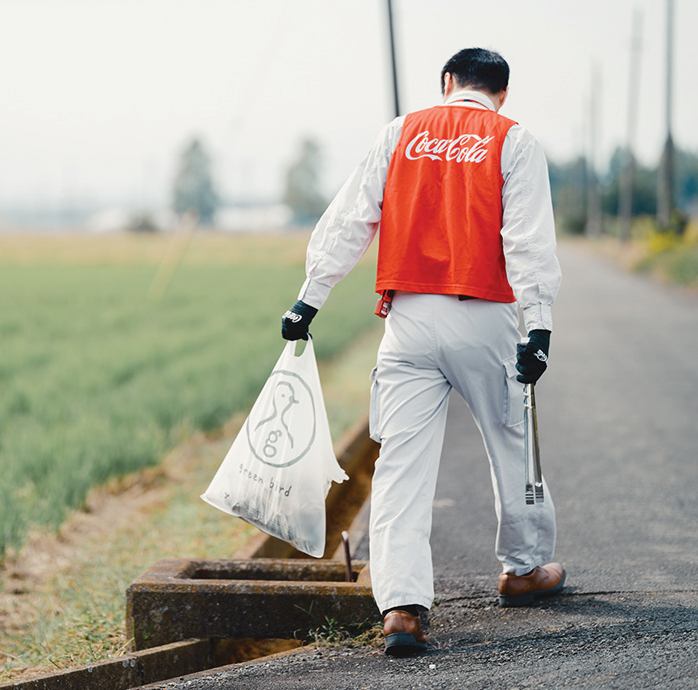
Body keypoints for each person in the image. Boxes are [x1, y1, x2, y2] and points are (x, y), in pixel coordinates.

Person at [280, 48, 564, 657]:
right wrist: (538, 327)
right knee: (511, 440)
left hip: (406, 320)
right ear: (501, 94)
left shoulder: (400, 133)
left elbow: (350, 220)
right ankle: (523, 569)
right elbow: (527, 239)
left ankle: (401, 608)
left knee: (401, 465)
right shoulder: (513, 140)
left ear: (447, 83)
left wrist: (308, 300)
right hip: (484, 316)